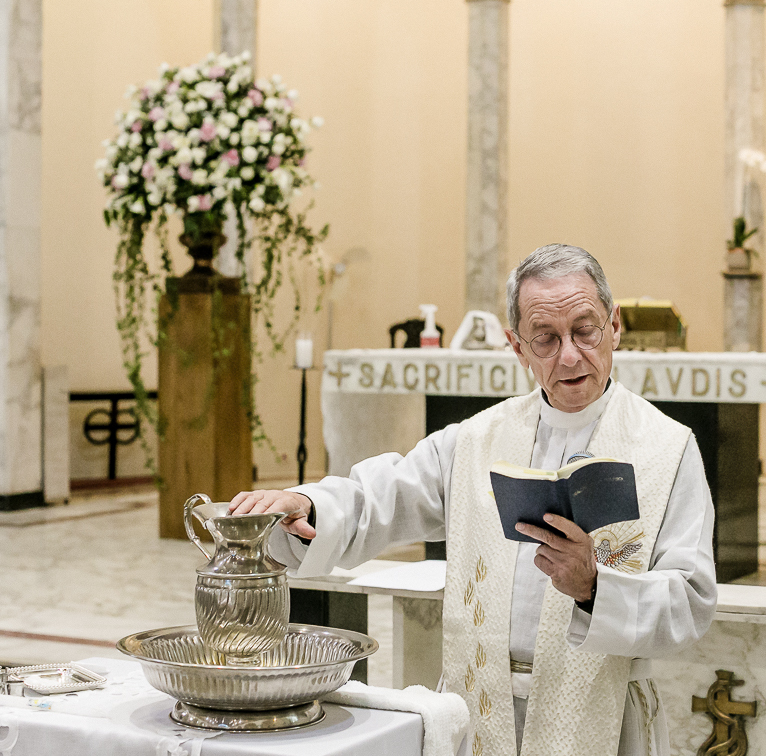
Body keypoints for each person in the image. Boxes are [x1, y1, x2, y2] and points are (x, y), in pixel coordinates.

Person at [230, 244, 717, 756]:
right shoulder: (477, 441)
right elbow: (385, 495)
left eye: (585, 330)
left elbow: (691, 601)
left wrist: (596, 587)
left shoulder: (668, 448)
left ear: (614, 326)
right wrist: (307, 506)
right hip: (480, 708)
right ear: (517, 346)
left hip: (607, 717)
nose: (569, 355)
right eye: (546, 338)